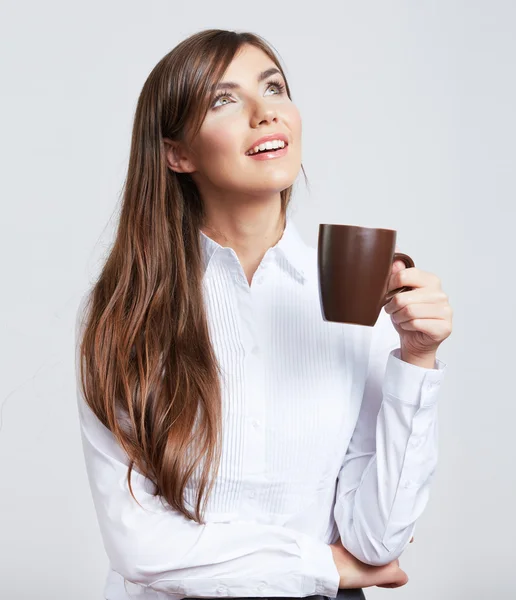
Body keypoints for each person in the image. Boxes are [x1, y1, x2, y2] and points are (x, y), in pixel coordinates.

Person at [74, 29, 452, 600]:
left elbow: (377, 543)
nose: (265, 112)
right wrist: (326, 567)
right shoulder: (125, 310)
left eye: (273, 87)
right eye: (223, 99)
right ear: (177, 153)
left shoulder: (360, 298)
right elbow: (138, 546)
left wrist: (417, 360)